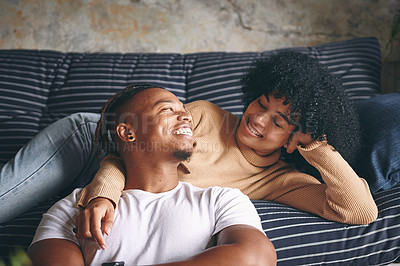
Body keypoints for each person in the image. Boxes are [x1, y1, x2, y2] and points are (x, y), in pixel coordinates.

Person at [74, 51, 378, 248]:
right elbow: (128, 153)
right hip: (92, 134)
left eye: (278, 121)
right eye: (260, 102)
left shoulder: (279, 181)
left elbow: (359, 211)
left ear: (292, 138)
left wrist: (314, 146)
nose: (257, 118)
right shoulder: (205, 115)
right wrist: (104, 195)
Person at [27, 85, 276, 266]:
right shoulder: (74, 209)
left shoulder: (222, 200)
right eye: (167, 109)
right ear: (128, 132)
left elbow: (256, 258)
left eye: (183, 109)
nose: (187, 116)